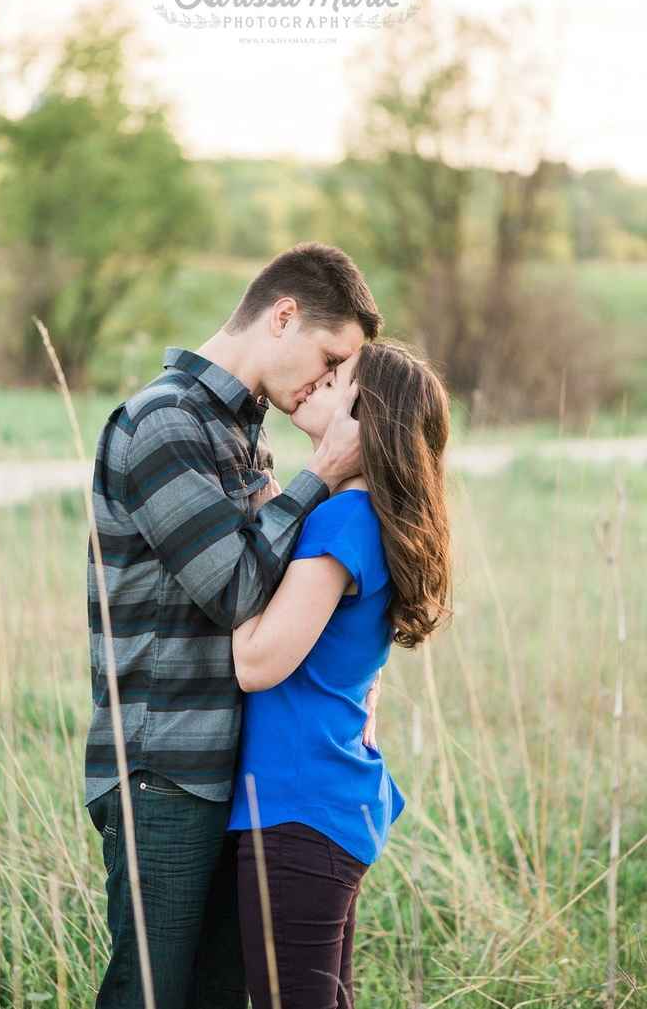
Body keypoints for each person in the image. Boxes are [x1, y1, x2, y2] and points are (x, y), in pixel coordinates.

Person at [84, 241, 385, 1007]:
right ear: (282, 316)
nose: (328, 385)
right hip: (166, 771)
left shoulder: (240, 430)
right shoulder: (163, 423)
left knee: (218, 993)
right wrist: (321, 473)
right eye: (329, 358)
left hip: (233, 770)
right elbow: (238, 588)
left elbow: (289, 593)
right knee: (152, 992)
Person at [227, 339, 453, 1009]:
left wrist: (228, 572)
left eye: (337, 378)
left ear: (364, 416)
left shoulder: (344, 521)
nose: (317, 382)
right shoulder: (360, 516)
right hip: (322, 803)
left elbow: (256, 661)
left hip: (297, 807)